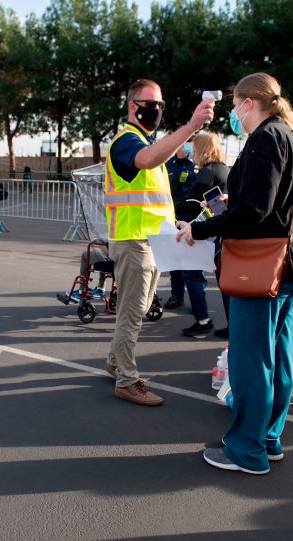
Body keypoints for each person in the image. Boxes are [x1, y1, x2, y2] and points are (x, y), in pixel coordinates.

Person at [177, 72, 293, 474]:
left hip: (267, 269)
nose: (233, 114)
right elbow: (270, 203)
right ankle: (268, 438)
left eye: (235, 105)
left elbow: (254, 212)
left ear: (247, 103)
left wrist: (200, 227)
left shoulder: (265, 140)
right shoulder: (289, 137)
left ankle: (246, 450)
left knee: (251, 360)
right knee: (278, 356)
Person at [103, 78, 215, 406]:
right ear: (132, 106)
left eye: (160, 105)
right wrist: (191, 126)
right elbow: (146, 161)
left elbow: (154, 197)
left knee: (137, 309)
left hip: (151, 240)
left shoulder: (146, 141)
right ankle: (126, 379)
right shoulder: (127, 141)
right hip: (132, 240)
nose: (156, 110)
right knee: (132, 312)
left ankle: (115, 361)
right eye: (150, 104)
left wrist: (174, 222)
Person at [177, 131, 230, 338]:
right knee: (224, 279)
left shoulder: (207, 172)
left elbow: (189, 201)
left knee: (191, 273)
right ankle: (232, 323)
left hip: (205, 229)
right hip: (221, 231)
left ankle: (203, 320)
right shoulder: (224, 169)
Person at [163, 141, 196, 310]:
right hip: (173, 217)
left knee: (190, 262)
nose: (186, 148)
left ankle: (196, 299)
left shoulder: (193, 165)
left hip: (189, 218)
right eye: (183, 144)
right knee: (175, 260)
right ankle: (177, 295)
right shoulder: (167, 164)